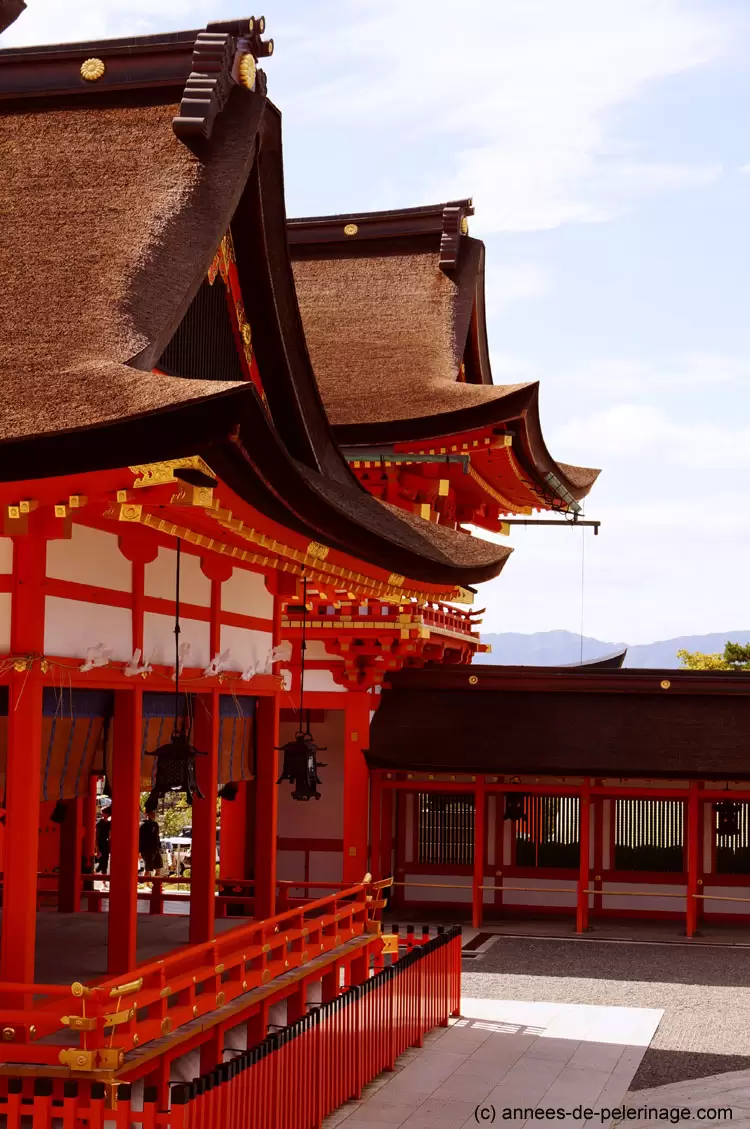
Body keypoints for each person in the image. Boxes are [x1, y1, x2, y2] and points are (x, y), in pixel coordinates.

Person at [139, 807, 163, 878]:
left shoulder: (155, 824)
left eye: (154, 814)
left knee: (158, 867)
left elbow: (157, 836)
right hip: (147, 850)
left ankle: (156, 884)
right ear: (147, 814)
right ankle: (146, 884)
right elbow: (140, 838)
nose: (154, 815)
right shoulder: (143, 825)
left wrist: (159, 846)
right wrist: (139, 850)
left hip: (156, 848)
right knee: (148, 868)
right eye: (152, 814)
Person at [95, 805, 111, 874]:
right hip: (100, 842)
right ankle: (95, 872)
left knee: (105, 861)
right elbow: (97, 836)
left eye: (104, 812)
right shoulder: (99, 823)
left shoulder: (109, 823)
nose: (102, 814)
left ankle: (103, 880)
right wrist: (97, 848)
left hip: (106, 842)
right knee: (101, 862)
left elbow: (110, 833)